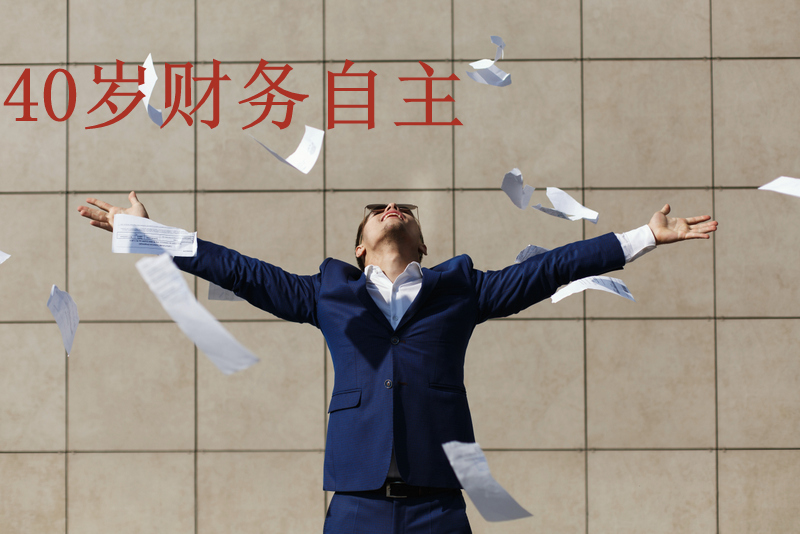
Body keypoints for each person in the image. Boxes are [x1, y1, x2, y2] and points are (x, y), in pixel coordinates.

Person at [78, 192, 717, 534]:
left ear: (422, 243)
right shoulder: (327, 292)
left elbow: (549, 269)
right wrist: (147, 233)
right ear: (359, 247)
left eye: (404, 210)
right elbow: (240, 271)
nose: (393, 209)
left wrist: (642, 238)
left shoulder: (460, 289)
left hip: (438, 505)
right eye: (378, 209)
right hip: (354, 502)